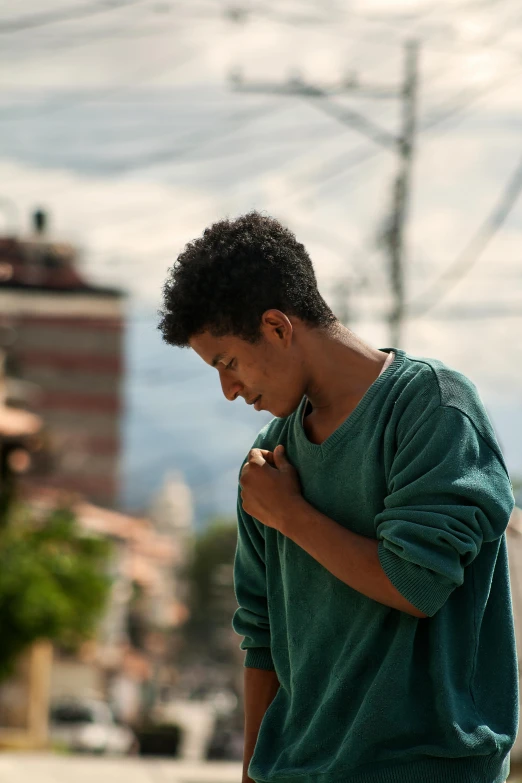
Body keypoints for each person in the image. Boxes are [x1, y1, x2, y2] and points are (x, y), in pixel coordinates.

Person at [158, 211, 517, 783]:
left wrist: (291, 514)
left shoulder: (432, 407)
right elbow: (261, 637)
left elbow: (416, 583)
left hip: (426, 769)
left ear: (277, 326)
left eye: (227, 362)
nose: (227, 390)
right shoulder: (269, 461)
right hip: (295, 770)